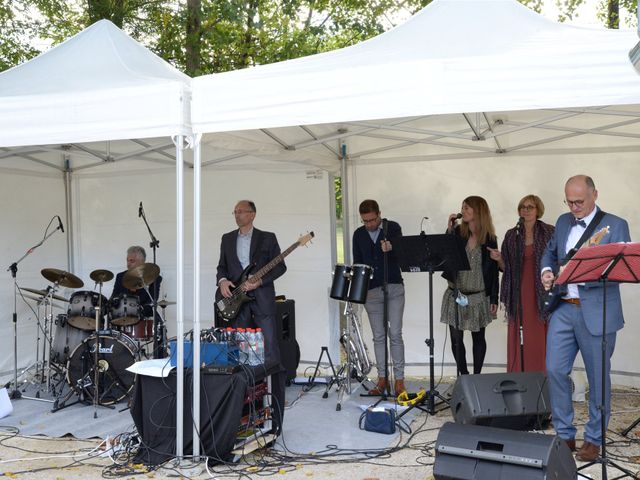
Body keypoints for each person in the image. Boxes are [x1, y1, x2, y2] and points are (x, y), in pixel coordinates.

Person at [541, 175, 630, 461]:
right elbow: (549, 252)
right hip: (564, 308)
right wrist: (546, 271)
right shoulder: (564, 220)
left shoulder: (615, 224)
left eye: (579, 201)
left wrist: (586, 270)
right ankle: (565, 434)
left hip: (597, 310)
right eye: (569, 201)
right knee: (554, 370)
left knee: (598, 377)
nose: (574, 207)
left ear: (595, 195)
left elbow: (621, 271)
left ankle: (594, 438)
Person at [216, 200, 287, 435]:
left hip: (263, 301)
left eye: (241, 212)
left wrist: (261, 281)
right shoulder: (227, 238)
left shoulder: (267, 238)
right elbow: (221, 267)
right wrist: (223, 281)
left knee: (270, 354)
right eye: (234, 211)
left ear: (253, 214)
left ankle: (275, 417)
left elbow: (280, 267)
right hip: (238, 304)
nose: (237, 215)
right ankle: (244, 412)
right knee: (241, 355)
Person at [488, 195, 555, 373]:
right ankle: (518, 375)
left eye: (530, 207)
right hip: (517, 291)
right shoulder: (512, 234)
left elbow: (558, 260)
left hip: (541, 290)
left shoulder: (549, 231)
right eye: (522, 207)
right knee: (517, 333)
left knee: (539, 334)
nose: (525, 210)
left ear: (538, 210)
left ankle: (540, 377)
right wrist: (499, 258)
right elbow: (505, 268)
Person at [352, 199, 406, 396]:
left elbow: (404, 253)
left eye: (373, 220)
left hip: (393, 286)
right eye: (365, 221)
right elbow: (357, 263)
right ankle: (382, 379)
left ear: (379, 214)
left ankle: (399, 380)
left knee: (396, 334)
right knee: (379, 336)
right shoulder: (358, 234)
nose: (369, 225)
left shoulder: (393, 228)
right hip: (371, 290)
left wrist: (392, 248)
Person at [441, 196, 499, 375]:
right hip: (456, 294)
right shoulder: (457, 233)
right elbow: (444, 255)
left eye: (467, 208)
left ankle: (477, 378)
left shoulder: (489, 238)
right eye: (462, 207)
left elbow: (494, 271)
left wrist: (494, 297)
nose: (463, 211)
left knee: (478, 338)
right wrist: (449, 230)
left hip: (478, 296)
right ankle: (464, 377)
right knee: (456, 339)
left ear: (478, 211)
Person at [111, 245, 163, 356]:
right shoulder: (120, 277)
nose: (128, 264)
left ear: (142, 263)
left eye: (132, 261)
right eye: (127, 260)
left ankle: (159, 358)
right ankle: (116, 358)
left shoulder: (154, 277)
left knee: (160, 326)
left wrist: (138, 291)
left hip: (144, 312)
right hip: (123, 315)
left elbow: (153, 300)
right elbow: (113, 298)